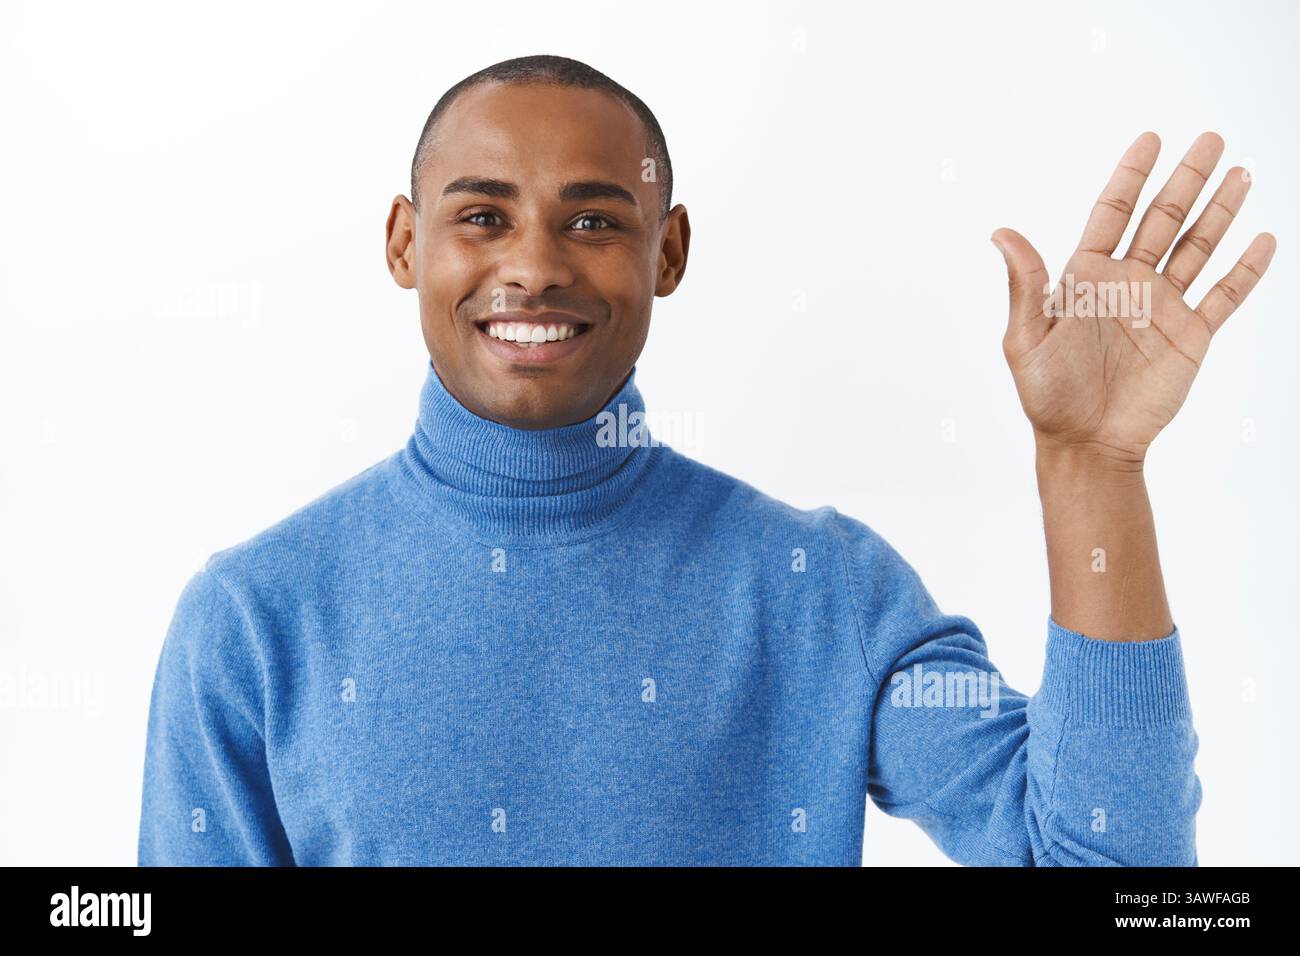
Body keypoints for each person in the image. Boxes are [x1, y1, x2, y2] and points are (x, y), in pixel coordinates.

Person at [137, 54, 1275, 866]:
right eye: (482, 216)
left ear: (667, 249)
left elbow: (1114, 871)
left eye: (592, 221)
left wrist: (1092, 461)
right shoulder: (251, 619)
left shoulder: (821, 591)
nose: (532, 266)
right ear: (404, 242)